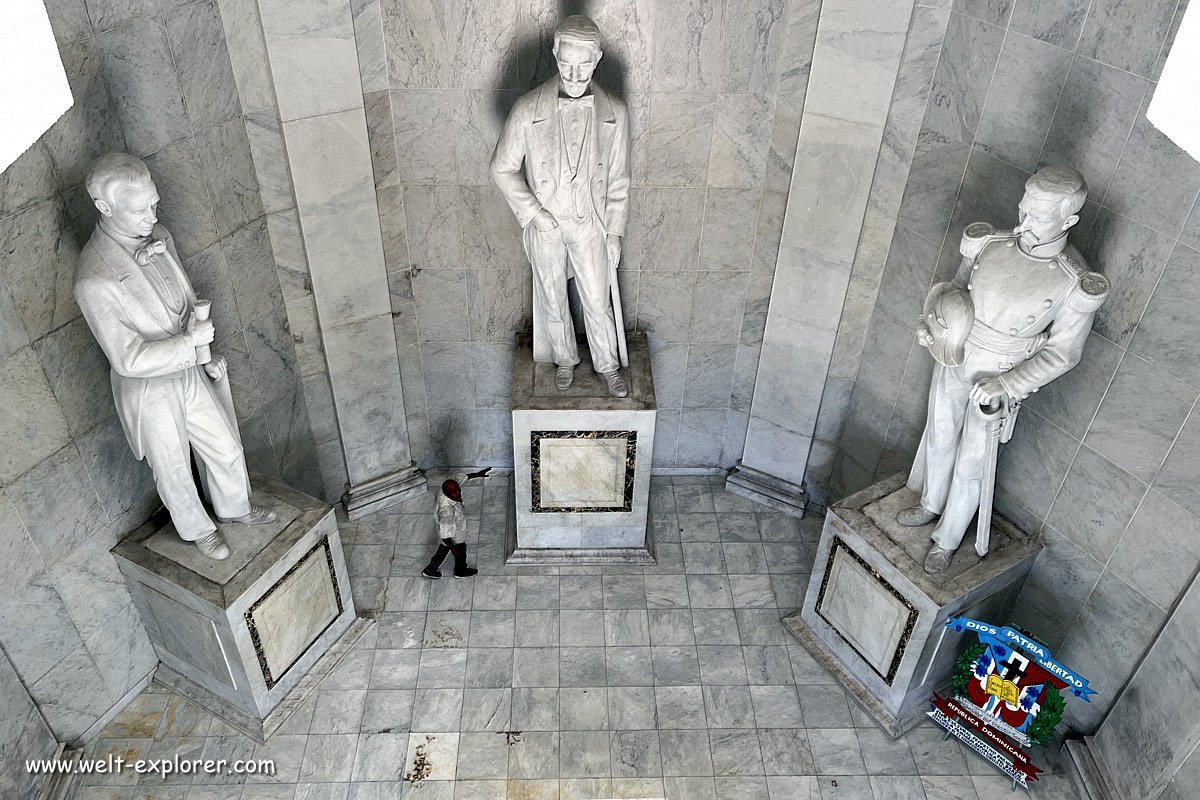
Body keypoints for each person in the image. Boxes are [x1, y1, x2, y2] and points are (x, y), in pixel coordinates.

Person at [899, 166, 1109, 574]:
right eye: (1024, 210)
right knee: (939, 434)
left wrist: (1008, 383)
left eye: (1039, 218)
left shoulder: (1074, 283)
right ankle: (929, 503)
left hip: (997, 377)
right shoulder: (990, 244)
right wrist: (935, 329)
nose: (1024, 223)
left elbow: (1063, 354)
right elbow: (953, 294)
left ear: (1069, 221)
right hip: (955, 356)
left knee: (972, 462)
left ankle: (947, 538)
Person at [74, 153, 277, 561]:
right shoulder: (93, 279)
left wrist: (202, 356)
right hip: (150, 388)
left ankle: (235, 507)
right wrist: (189, 345)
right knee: (173, 468)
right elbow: (128, 360)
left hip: (188, 371)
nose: (152, 215)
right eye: (140, 209)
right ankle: (199, 530)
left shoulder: (159, 234)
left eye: (154, 202)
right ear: (104, 208)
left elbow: (181, 303)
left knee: (226, 448)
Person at [491, 14, 631, 397]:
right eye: (566, 63)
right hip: (547, 225)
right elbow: (502, 168)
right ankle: (565, 359)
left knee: (596, 299)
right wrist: (536, 214)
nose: (573, 73)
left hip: (591, 225)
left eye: (583, 64)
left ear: (598, 58)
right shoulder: (526, 108)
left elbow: (619, 180)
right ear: (554, 54)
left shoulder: (615, 113)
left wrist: (614, 233)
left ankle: (608, 365)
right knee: (552, 297)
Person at [422, 468, 492, 579]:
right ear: (446, 493)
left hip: (450, 530)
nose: (458, 493)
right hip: (453, 533)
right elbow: (445, 535)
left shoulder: (450, 484)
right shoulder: (447, 512)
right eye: (453, 492)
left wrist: (477, 474)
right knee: (460, 550)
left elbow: (460, 478)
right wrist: (453, 548)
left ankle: (430, 569)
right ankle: (460, 571)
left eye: (457, 489)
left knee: (443, 550)